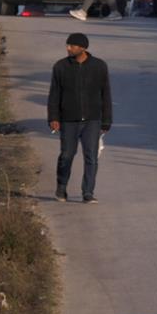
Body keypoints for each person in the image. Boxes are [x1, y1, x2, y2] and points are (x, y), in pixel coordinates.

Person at [47, 33, 112, 203]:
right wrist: (53, 117)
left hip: (92, 120)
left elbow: (106, 94)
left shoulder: (99, 66)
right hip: (68, 120)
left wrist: (106, 120)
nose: (68, 48)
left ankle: (88, 192)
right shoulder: (60, 67)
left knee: (91, 157)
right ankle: (61, 188)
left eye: (72, 46)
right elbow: (54, 94)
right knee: (67, 155)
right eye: (68, 45)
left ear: (83, 48)